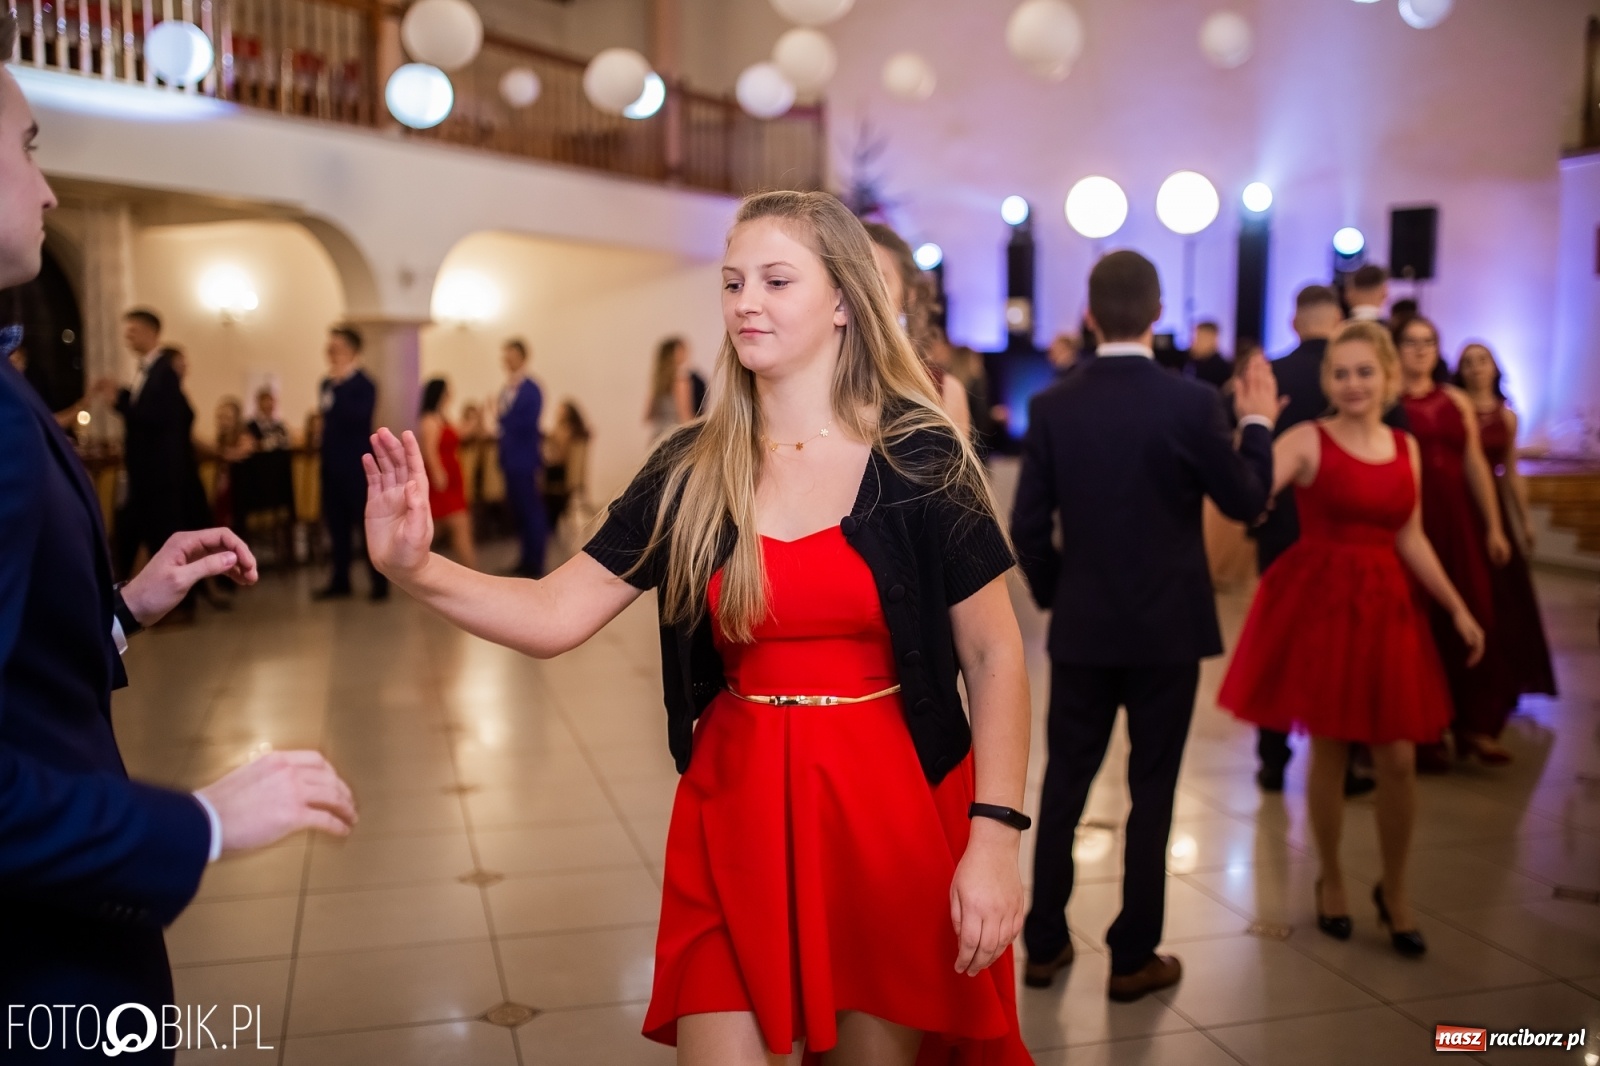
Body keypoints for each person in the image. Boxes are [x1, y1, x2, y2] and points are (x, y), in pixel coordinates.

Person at [363, 190, 1033, 1065]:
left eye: (776, 280)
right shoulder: (692, 468)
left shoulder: (919, 456)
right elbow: (558, 612)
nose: (745, 301)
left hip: (886, 815)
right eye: (732, 282)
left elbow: (994, 656)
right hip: (736, 815)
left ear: (842, 301)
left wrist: (993, 840)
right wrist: (417, 568)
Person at [0, 33, 357, 1058]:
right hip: (38, 959)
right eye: (28, 149)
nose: (52, 191)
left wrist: (117, 609)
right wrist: (198, 822)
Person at [1011, 250, 1278, 1001]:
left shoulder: (1053, 405)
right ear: (1158, 314)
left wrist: (1065, 596)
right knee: (1151, 789)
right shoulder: (1191, 405)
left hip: (1086, 630)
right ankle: (1132, 957)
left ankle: (1044, 942)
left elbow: (1026, 529)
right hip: (1167, 630)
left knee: (1064, 784)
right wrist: (1257, 422)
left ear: (1091, 315)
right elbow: (1246, 499)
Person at [1218, 320, 1486, 958]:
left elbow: (1411, 536)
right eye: (1341, 373)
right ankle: (1332, 878)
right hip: (1323, 605)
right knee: (1332, 751)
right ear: (1327, 380)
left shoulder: (1405, 447)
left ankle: (1395, 890)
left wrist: (1457, 607)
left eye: (1365, 371)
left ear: (1388, 376)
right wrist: (1248, 426)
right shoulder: (1308, 439)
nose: (1353, 383)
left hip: (1387, 606)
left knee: (1397, 758)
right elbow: (1246, 490)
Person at [1251, 285, 1400, 795]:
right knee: (1351, 655)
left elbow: (1247, 467)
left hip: (1280, 535)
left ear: (1294, 321)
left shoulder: (1269, 374)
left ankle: (1273, 758)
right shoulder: (1369, 380)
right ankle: (1351, 752)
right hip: (1358, 541)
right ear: (1337, 320)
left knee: (1279, 649)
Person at [1396, 316, 1511, 769]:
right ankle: (1421, 730)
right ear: (1398, 348)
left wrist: (1494, 525)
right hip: (1410, 520)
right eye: (1411, 343)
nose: (1421, 351)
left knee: (1471, 608)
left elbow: (1476, 464)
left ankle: (1473, 726)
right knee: (1417, 621)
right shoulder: (1391, 401)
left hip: (1456, 520)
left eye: (1429, 342)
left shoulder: (1456, 400)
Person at [1454, 342, 1558, 752]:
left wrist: (1524, 519)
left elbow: (1510, 472)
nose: (1476, 369)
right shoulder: (1456, 407)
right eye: (1468, 363)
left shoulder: (1507, 416)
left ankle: (1505, 676)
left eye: (1482, 361)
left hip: (1493, 508)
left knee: (1505, 598)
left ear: (1495, 367)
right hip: (1460, 504)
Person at [107, 316, 210, 622]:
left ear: (151, 332)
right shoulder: (149, 372)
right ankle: (150, 603)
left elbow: (156, 418)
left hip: (161, 474)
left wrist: (120, 403)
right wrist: (124, 397)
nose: (128, 337)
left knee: (167, 537)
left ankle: (182, 607)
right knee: (148, 535)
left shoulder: (164, 372)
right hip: (148, 474)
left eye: (133, 331)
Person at [865, 221, 973, 436]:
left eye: (879, 279)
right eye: (854, 278)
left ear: (909, 295)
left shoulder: (942, 391)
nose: (864, 292)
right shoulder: (809, 384)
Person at [314, 325, 388, 601]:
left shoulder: (363, 385)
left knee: (365, 524)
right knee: (337, 525)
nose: (331, 354)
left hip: (358, 467)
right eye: (329, 349)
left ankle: (379, 582)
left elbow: (359, 418)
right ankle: (340, 580)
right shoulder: (325, 383)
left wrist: (341, 386)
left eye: (336, 349)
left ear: (352, 351)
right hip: (331, 464)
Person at [497, 338, 547, 577]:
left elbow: (527, 423)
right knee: (517, 511)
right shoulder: (506, 388)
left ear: (522, 357)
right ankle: (525, 558)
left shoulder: (532, 389)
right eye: (505, 354)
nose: (507, 359)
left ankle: (536, 561)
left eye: (511, 354)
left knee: (531, 510)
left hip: (525, 459)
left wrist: (501, 418)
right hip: (509, 458)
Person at [419, 377, 476, 570]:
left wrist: (477, 419)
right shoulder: (429, 420)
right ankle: (472, 574)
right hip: (442, 478)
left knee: (447, 526)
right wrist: (437, 473)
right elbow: (430, 450)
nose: (450, 395)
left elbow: (460, 433)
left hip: (453, 478)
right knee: (456, 524)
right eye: (447, 391)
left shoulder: (442, 417)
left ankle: (469, 573)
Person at [541, 399, 592, 535]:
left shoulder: (567, 430)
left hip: (563, 472)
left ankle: (549, 522)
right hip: (567, 472)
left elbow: (560, 456)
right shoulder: (572, 430)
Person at [645, 335, 696, 441]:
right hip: (674, 438)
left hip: (657, 438)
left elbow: (648, 416)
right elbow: (685, 415)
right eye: (682, 350)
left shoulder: (658, 382)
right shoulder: (680, 381)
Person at [1184, 320, 1232, 389]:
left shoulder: (1222, 369)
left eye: (1198, 338)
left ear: (1211, 339)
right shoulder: (1190, 361)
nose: (1193, 343)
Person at [245, 387, 291, 451]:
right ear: (259, 403)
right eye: (265, 401)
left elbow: (285, 443)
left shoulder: (279, 425)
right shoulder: (250, 425)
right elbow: (251, 445)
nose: (269, 404)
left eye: (271, 401)